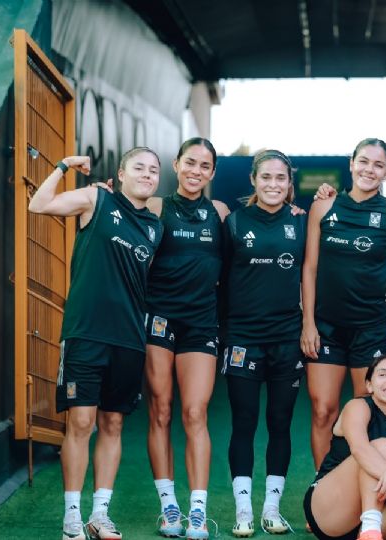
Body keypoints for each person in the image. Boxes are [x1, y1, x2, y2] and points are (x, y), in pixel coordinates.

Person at [28, 148, 163, 540]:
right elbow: (40, 205)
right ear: (121, 173)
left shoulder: (155, 226)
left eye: (153, 170)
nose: (146, 174)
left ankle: (99, 515)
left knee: (113, 423)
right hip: (86, 334)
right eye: (138, 167)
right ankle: (72, 517)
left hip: (129, 340)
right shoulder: (95, 198)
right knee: (81, 422)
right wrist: (64, 166)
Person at [301, 138, 386, 470]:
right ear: (351, 163)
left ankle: (364, 491)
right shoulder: (324, 206)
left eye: (378, 165)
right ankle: (323, 489)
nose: (369, 169)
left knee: (368, 411)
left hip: (371, 330)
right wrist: (308, 323)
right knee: (323, 411)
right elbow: (309, 267)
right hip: (325, 327)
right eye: (363, 161)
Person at [142, 138, 228, 538]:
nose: (196, 171)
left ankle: (197, 510)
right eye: (189, 163)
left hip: (201, 322)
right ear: (176, 165)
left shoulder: (221, 213)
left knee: (195, 413)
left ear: (212, 172)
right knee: (161, 409)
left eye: (205, 165)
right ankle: (169, 508)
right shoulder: (156, 207)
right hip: (160, 319)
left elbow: (262, 227)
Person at [221, 149, 307, 538]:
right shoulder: (234, 223)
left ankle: (271, 508)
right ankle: (243, 510)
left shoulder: (301, 223)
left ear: (290, 184)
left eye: (281, 179)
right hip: (243, 338)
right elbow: (217, 277)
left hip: (287, 339)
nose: (274, 185)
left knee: (279, 423)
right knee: (244, 422)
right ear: (254, 180)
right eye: (266, 177)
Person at [304, 355, 386, 540]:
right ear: (369, 385)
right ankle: (370, 531)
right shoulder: (357, 406)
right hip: (330, 509)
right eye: (382, 374)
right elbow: (359, 449)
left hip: (379, 507)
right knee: (382, 446)